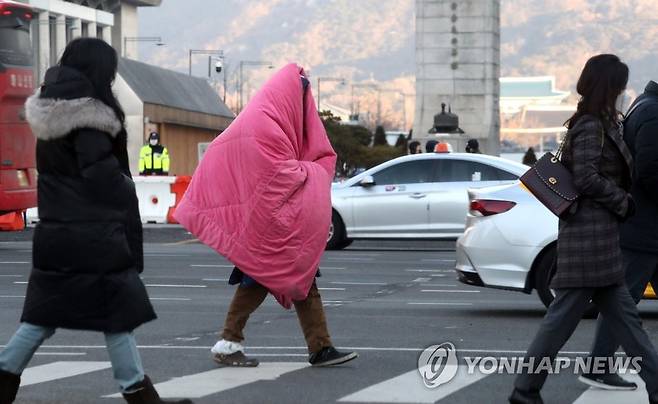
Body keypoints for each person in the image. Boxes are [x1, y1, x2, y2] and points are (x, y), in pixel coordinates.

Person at [0, 38, 192, 404]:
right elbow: (101, 176)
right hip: (92, 235)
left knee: (44, 317)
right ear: (97, 71)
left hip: (59, 233)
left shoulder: (51, 115)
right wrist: (125, 190)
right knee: (116, 316)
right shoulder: (88, 119)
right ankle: (138, 394)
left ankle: (5, 377)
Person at [175, 65, 358, 368]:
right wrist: (313, 172)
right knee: (263, 279)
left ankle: (319, 347)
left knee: (299, 277)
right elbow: (276, 171)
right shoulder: (265, 123)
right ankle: (231, 341)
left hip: (269, 219)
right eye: (301, 91)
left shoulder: (265, 117)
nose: (303, 100)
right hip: (266, 222)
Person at [510, 55, 658, 404]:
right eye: (620, 86)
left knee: (627, 321)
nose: (624, 92)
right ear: (610, 86)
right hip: (588, 237)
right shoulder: (591, 125)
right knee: (561, 321)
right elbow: (587, 177)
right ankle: (524, 388)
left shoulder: (600, 121)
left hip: (600, 236)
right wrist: (623, 201)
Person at [578, 80, 658, 390]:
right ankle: (599, 365)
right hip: (644, 230)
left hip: (643, 227)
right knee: (620, 304)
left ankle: (599, 365)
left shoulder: (643, 106)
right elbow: (650, 171)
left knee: (621, 301)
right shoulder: (652, 114)